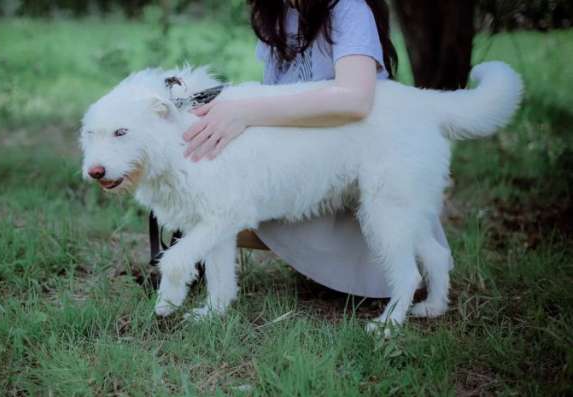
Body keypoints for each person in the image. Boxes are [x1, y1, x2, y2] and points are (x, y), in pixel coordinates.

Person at [181, 0, 452, 297]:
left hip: (361, 176)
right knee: (194, 178)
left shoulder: (349, 8)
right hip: (309, 170)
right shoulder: (276, 13)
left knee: (220, 207)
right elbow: (277, 109)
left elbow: (355, 100)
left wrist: (243, 111)